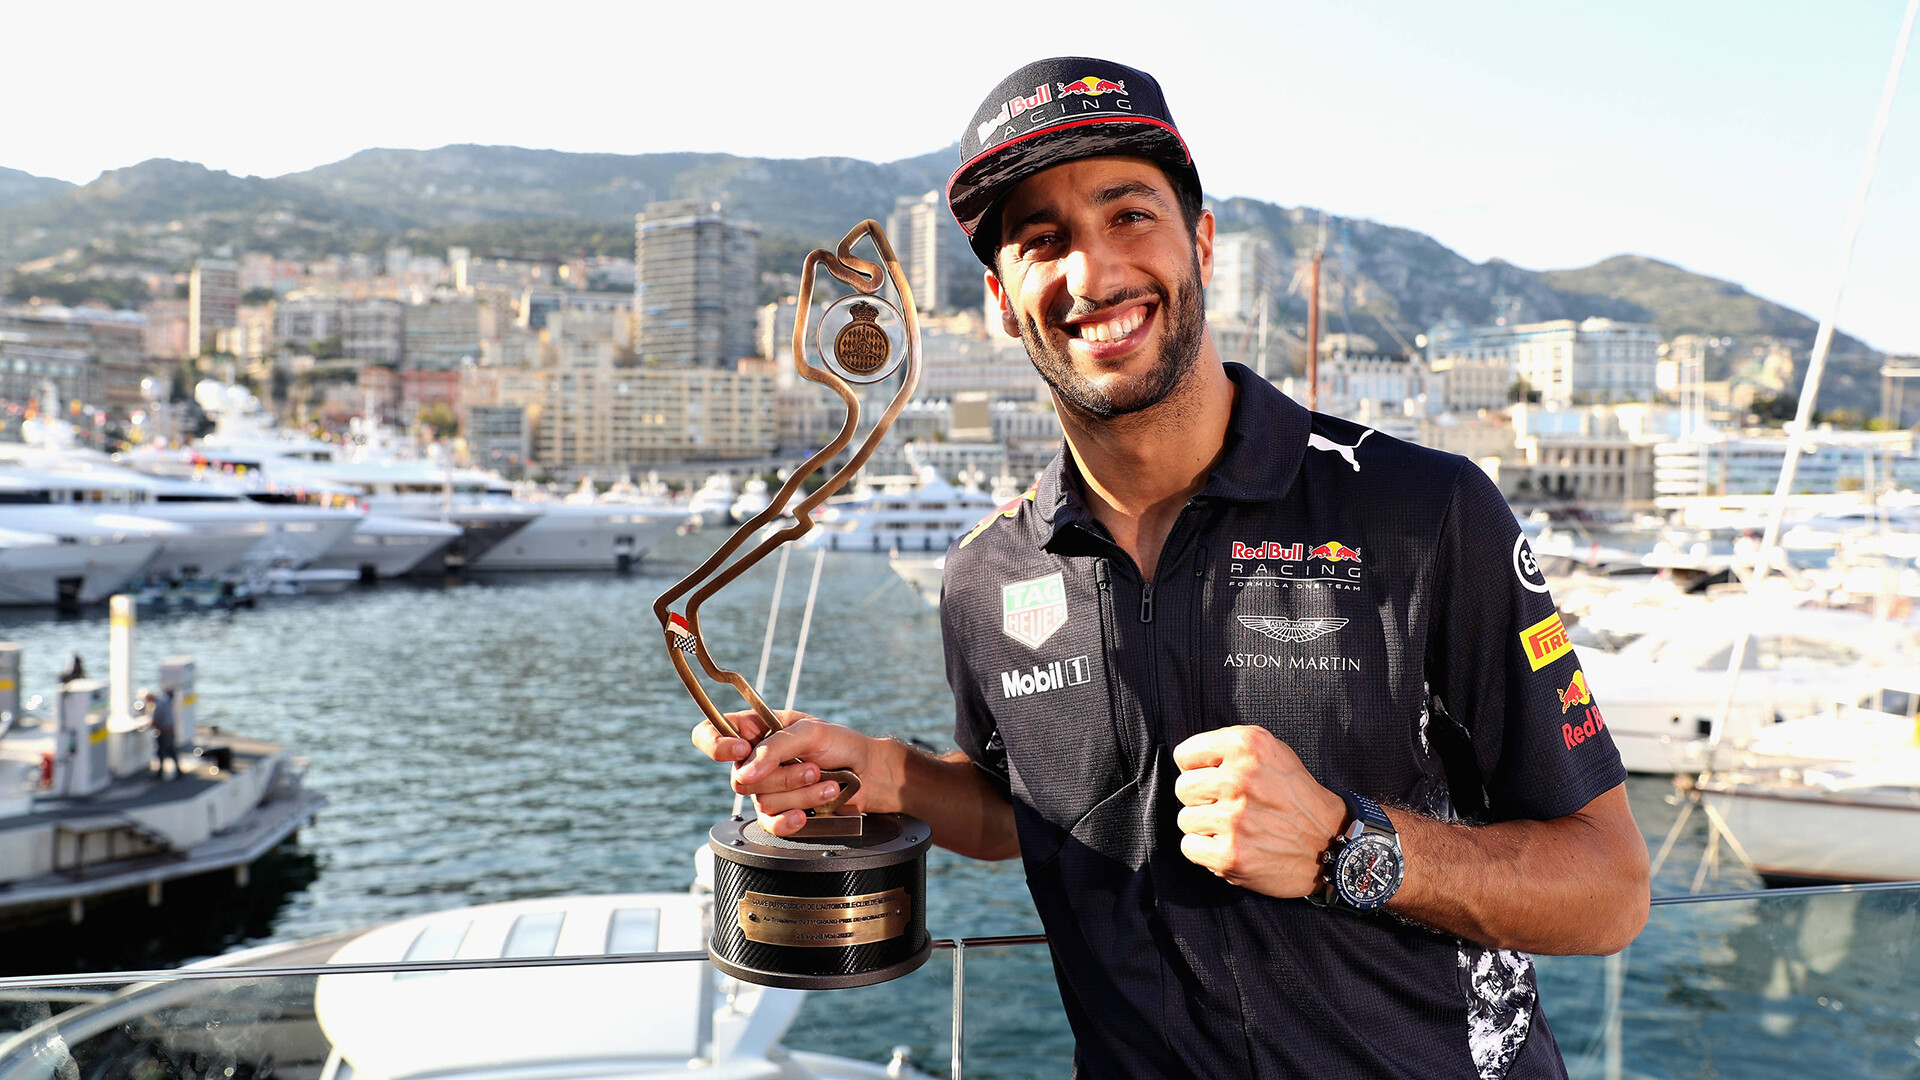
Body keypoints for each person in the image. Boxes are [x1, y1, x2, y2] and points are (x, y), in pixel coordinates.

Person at [694, 56, 1649, 1080]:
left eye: (1129, 216)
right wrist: (885, 774)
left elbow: (1610, 888)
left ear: (1200, 244)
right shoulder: (988, 574)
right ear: (1002, 301)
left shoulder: (1424, 512)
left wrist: (1347, 844)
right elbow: (1031, 809)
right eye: (1041, 240)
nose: (1092, 274)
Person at [145, 689, 180, 780]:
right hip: (169, 731)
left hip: (164, 732)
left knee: (163, 752)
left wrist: (147, 726)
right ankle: (177, 771)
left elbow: (156, 720)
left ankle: (161, 773)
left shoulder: (158, 706)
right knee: (170, 751)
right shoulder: (163, 702)